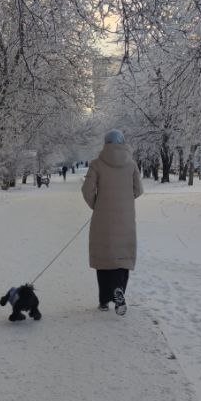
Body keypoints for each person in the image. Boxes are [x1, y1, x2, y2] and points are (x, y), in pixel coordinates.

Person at [81, 129, 143, 315]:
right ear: (123, 142)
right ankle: (119, 290)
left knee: (104, 258)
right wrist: (125, 200)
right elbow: (139, 190)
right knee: (122, 258)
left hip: (103, 220)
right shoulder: (131, 164)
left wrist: (97, 205)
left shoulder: (97, 164)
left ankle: (103, 300)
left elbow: (86, 190)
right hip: (125, 219)